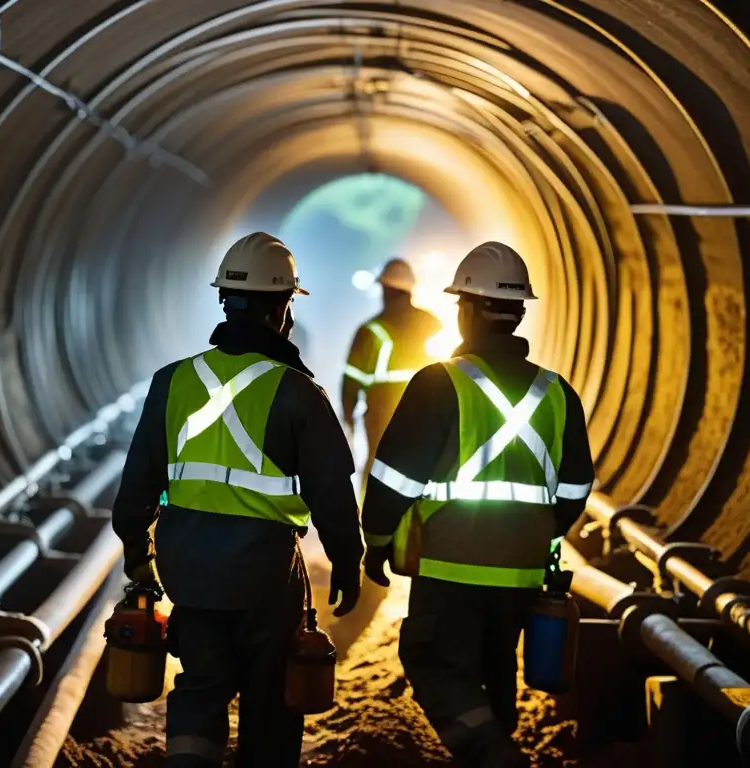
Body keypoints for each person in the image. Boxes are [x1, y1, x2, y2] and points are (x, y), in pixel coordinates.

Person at [110, 232, 364, 768]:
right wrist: (346, 558)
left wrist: (138, 550)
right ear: (282, 307)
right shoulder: (298, 392)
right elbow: (332, 491)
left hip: (189, 570)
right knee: (270, 697)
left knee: (200, 685)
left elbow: (136, 485)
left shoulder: (171, 382)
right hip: (265, 576)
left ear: (225, 299)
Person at [361, 242, 594, 767]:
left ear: (464, 309)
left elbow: (393, 478)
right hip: (521, 571)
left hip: (450, 564)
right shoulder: (558, 393)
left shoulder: (439, 382)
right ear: (517, 312)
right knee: (494, 668)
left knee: (431, 659)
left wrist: (376, 541)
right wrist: (541, 529)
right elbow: (578, 487)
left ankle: (493, 753)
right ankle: (493, 741)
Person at [335, 257, 441, 655]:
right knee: (423, 496)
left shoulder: (371, 331)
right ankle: (416, 553)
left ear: (384, 289)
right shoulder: (433, 324)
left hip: (382, 429)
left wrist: (347, 417)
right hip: (429, 430)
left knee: (376, 490)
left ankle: (374, 547)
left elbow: (352, 381)